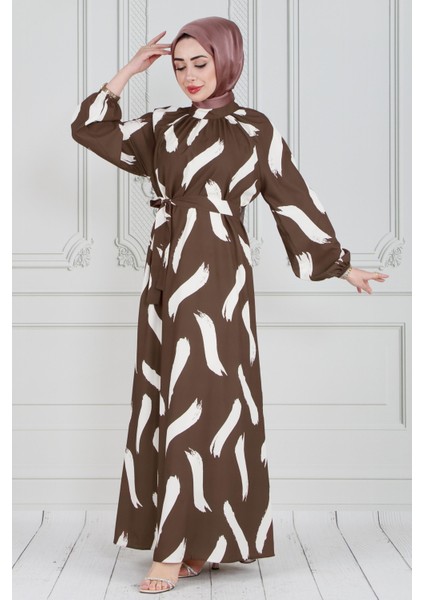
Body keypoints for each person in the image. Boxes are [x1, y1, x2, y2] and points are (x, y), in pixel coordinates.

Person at [71, 16, 389, 594]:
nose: (189, 76)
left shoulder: (253, 129)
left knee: (208, 402)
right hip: (164, 271)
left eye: (201, 62)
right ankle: (196, 543)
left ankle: (176, 551)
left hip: (217, 273)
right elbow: (90, 130)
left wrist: (342, 266)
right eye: (179, 66)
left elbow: (292, 197)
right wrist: (129, 71)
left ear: (227, 60)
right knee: (167, 399)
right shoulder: (163, 126)